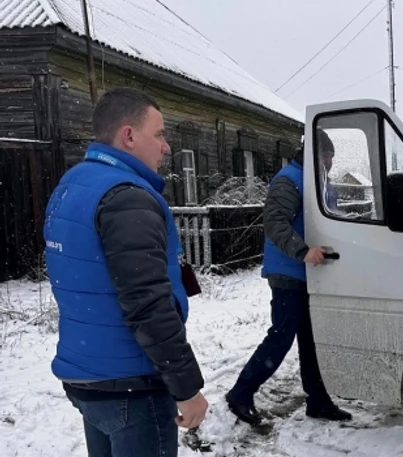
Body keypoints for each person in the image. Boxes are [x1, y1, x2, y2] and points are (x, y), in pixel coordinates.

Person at [43, 88, 208, 457]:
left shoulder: (73, 185)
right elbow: (148, 303)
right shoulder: (127, 197)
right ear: (129, 136)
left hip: (88, 374)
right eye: (159, 134)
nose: (165, 147)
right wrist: (187, 389)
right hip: (132, 385)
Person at [225, 129, 351, 425]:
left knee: (311, 339)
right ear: (315, 155)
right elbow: (275, 223)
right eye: (327, 156)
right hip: (288, 272)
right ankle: (240, 393)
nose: (330, 163)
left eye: (331, 157)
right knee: (281, 337)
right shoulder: (290, 180)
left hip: (308, 274)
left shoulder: (314, 181)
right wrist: (304, 251)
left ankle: (318, 401)